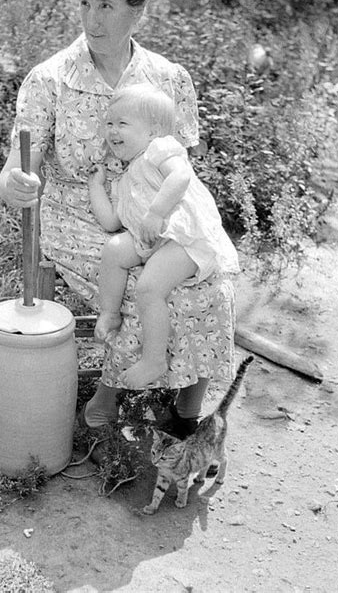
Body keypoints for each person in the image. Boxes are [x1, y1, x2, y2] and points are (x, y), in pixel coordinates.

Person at [0, 0, 237, 440]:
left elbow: (180, 166)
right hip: (81, 213)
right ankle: (111, 390)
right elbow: (15, 171)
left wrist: (178, 224)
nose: (91, 18)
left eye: (105, 5)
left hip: (156, 211)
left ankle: (187, 405)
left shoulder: (169, 79)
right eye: (84, 3)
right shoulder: (51, 79)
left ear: (137, 10)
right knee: (135, 285)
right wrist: (17, 185)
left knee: (210, 277)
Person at [88, 83, 239, 390]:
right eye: (109, 123)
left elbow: (181, 175)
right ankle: (110, 313)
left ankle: (153, 359)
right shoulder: (126, 177)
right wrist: (96, 185)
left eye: (122, 123)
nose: (112, 131)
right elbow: (111, 220)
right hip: (154, 241)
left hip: (185, 239)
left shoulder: (160, 150)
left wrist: (156, 212)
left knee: (148, 288)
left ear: (153, 131)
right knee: (114, 250)